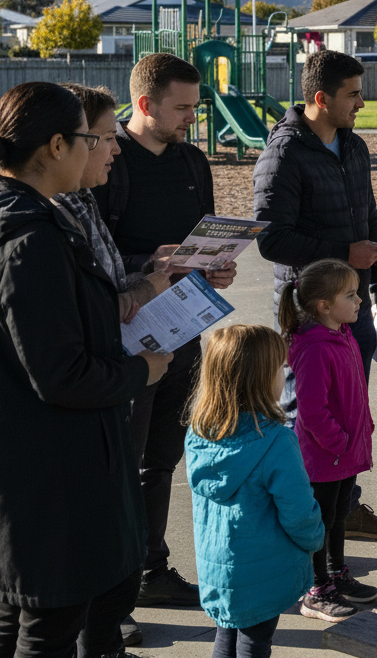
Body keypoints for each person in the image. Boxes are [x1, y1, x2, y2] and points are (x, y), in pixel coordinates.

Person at [0, 82, 171, 658]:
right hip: (50, 470)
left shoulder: (30, 220)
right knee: (48, 626)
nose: (105, 149)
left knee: (17, 611)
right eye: (94, 138)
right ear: (57, 145)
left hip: (36, 462)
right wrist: (142, 371)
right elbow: (59, 373)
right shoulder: (29, 240)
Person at [92, 53, 237, 618]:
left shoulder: (193, 161)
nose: (190, 119)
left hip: (185, 331)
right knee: (119, 467)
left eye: (194, 108)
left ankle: (150, 570)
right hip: (129, 337)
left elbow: (207, 234)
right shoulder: (108, 161)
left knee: (161, 461)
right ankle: (110, 603)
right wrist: (147, 264)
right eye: (181, 108)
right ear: (146, 104)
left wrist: (217, 267)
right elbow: (91, 255)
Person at [253, 49, 377, 542]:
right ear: (321, 99)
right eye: (354, 94)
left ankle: (344, 509)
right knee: (314, 417)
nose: (363, 102)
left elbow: (369, 224)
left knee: (350, 410)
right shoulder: (284, 152)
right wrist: (345, 253)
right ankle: (306, 522)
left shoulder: (353, 146)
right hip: (312, 311)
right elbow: (271, 238)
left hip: (354, 305)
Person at [186, 324, 325, 658]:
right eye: (280, 368)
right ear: (262, 378)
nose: (285, 373)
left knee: (226, 635)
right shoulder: (276, 441)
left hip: (220, 569)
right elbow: (298, 511)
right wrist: (315, 538)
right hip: (265, 572)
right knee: (256, 642)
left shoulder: (199, 433)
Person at [279, 259, 377, 623]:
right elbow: (312, 409)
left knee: (339, 516)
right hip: (326, 456)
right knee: (320, 521)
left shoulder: (342, 334)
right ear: (324, 305)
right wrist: (339, 442)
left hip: (345, 453)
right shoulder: (314, 347)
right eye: (351, 295)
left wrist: (359, 432)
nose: (359, 301)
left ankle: (336, 574)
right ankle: (317, 589)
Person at [53, 84, 170, 321]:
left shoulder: (82, 200)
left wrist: (149, 267)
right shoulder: (53, 217)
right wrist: (147, 288)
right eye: (108, 138)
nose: (116, 149)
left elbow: (102, 286)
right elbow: (81, 316)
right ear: (61, 145)